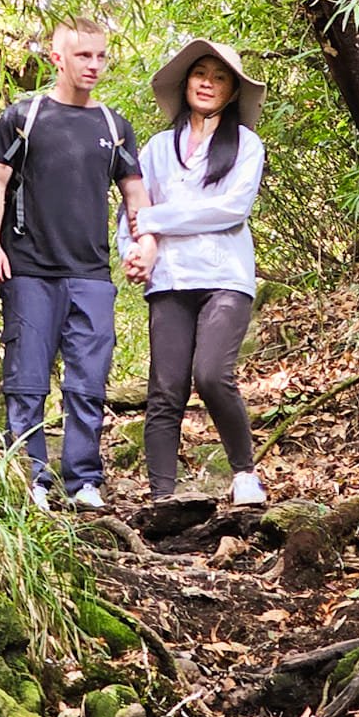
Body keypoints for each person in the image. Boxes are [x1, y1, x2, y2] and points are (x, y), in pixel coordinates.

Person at [0, 17, 144, 512]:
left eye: (100, 56)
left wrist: (144, 242)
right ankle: (30, 477)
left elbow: (134, 191)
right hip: (29, 269)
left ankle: (84, 480)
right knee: (27, 377)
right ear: (58, 58)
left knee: (88, 380)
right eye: (83, 56)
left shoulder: (114, 127)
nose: (93, 65)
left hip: (90, 274)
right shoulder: (25, 117)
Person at [121, 39, 268, 507]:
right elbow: (132, 208)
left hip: (225, 277)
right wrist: (132, 250)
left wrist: (158, 220)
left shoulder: (246, 145)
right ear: (185, 83)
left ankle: (244, 473)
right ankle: (163, 495)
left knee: (211, 374)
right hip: (169, 280)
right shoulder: (159, 148)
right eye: (199, 73)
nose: (207, 82)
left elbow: (232, 209)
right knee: (165, 388)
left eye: (219, 76)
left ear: (232, 91)